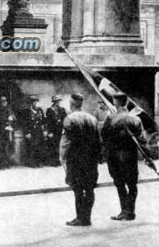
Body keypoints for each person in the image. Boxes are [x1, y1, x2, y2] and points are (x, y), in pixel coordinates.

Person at [101, 92, 148, 221]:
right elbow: (142, 140)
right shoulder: (135, 119)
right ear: (126, 102)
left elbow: (104, 136)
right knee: (132, 185)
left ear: (116, 102)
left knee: (120, 184)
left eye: (114, 100)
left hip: (115, 156)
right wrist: (147, 156)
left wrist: (104, 153)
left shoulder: (111, 118)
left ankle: (124, 211)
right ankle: (130, 211)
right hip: (131, 156)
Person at [60, 93, 101, 226]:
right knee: (89, 189)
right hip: (91, 159)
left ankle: (80, 218)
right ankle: (87, 218)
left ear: (71, 104)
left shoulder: (69, 119)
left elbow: (65, 143)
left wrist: (62, 158)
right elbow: (98, 141)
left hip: (76, 159)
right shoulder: (92, 119)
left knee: (77, 189)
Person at [45, 95, 67, 166]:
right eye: (56, 101)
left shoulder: (62, 109)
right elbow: (48, 122)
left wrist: (64, 129)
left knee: (60, 145)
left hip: (60, 130)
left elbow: (65, 120)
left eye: (59, 101)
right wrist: (49, 132)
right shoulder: (50, 110)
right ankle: (53, 162)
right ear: (54, 102)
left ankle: (60, 161)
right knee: (53, 146)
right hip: (53, 130)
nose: (58, 103)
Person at [24, 95, 46, 167]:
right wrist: (27, 132)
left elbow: (43, 121)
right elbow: (25, 123)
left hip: (39, 131)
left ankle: (38, 162)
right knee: (32, 147)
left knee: (39, 146)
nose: (34, 103)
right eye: (33, 101)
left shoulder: (39, 110)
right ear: (30, 103)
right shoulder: (27, 111)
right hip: (31, 131)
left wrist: (44, 130)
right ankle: (32, 163)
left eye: (36, 101)